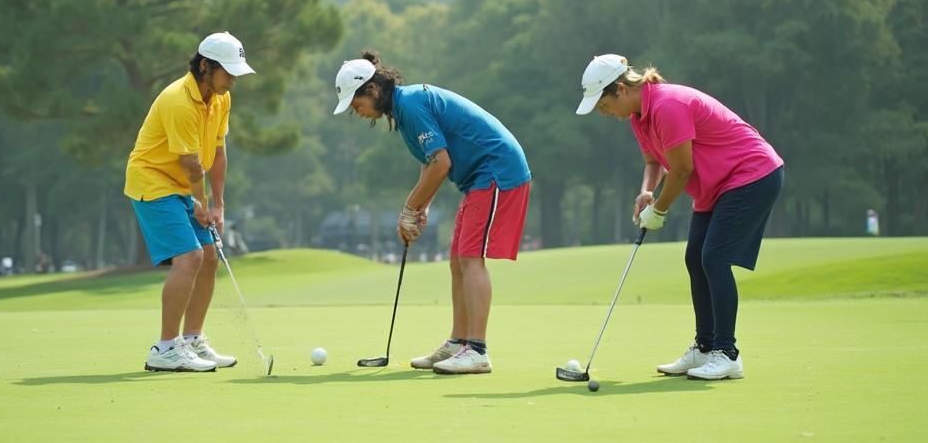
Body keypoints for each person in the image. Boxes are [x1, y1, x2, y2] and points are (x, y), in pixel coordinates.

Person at [576, 54, 783, 380]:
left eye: (603, 105)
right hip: (717, 183)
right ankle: (704, 348)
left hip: (750, 174)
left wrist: (658, 211)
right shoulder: (638, 117)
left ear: (619, 89)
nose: (605, 114)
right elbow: (655, 164)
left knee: (714, 259)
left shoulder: (666, 106)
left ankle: (727, 353)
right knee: (695, 258)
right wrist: (647, 192)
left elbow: (683, 169)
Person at [333, 50, 531, 375]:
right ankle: (459, 342)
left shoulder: (410, 105)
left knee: (470, 258)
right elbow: (431, 164)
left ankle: (477, 351)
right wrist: (420, 206)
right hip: (478, 178)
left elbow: (442, 163)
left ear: (371, 90)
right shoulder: (404, 110)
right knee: (458, 260)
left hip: (496, 171)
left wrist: (409, 209)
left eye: (357, 105)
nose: (360, 113)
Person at [125, 31, 255, 372]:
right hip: (153, 181)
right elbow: (190, 164)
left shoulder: (221, 97)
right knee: (190, 256)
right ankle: (165, 348)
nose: (233, 80)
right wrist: (201, 204)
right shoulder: (178, 101)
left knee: (209, 257)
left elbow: (218, 152)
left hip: (183, 184)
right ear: (204, 66)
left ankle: (193, 339)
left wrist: (219, 205)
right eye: (228, 72)